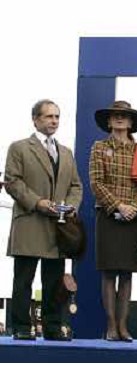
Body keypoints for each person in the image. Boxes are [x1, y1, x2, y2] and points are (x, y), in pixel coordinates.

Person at [4, 99, 82, 341]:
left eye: (57, 117)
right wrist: (37, 202)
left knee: (54, 281)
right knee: (24, 278)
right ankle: (21, 326)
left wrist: (71, 206)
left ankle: (52, 326)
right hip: (30, 221)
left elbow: (76, 186)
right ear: (35, 120)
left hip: (57, 226)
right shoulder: (19, 148)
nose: (54, 121)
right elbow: (13, 181)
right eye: (49, 117)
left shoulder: (66, 153)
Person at [89, 100, 137, 341]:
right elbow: (96, 182)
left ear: (132, 121)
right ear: (108, 120)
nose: (120, 119)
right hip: (108, 215)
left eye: (124, 115)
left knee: (127, 274)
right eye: (115, 115)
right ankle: (111, 326)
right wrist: (118, 206)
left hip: (134, 217)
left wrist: (134, 207)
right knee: (108, 273)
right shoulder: (99, 147)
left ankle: (123, 326)